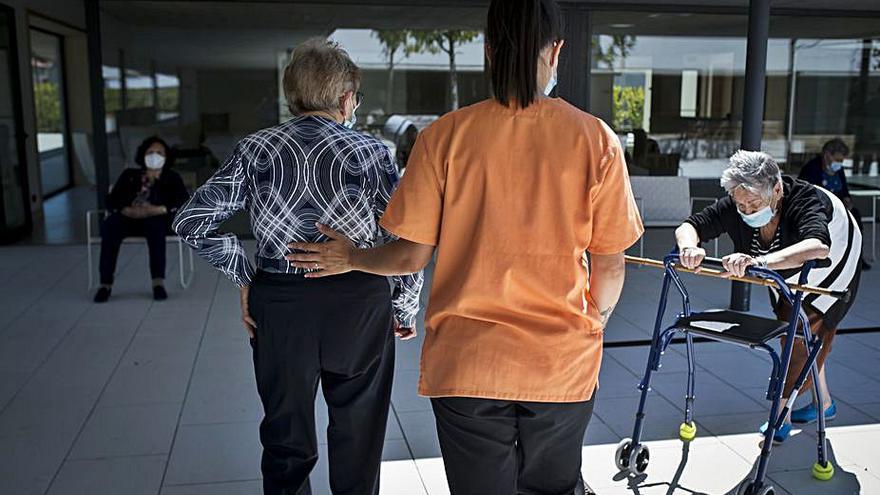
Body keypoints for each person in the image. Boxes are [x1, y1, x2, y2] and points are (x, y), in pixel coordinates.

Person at [285, 1, 644, 492]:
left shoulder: (443, 138)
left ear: (489, 51)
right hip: (559, 362)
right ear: (556, 50)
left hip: (467, 363)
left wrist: (350, 256)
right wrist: (592, 321)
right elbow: (611, 267)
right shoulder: (596, 139)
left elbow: (410, 256)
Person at [173, 39, 424, 495]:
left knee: (286, 434)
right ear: (347, 98)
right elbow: (403, 239)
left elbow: (191, 220)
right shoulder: (370, 152)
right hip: (358, 299)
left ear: (292, 96)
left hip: (281, 301)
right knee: (358, 428)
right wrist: (404, 308)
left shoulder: (257, 149)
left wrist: (245, 276)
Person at [677, 150, 862, 443]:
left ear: (777, 189)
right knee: (806, 336)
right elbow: (691, 226)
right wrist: (688, 247)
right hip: (785, 274)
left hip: (835, 265)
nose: (747, 211)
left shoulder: (804, 200)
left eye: (753, 204)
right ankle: (824, 404)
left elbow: (818, 246)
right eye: (741, 205)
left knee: (799, 336)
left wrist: (759, 262)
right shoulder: (739, 202)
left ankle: (780, 417)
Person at [94, 136, 189, 303]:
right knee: (110, 226)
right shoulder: (130, 174)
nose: (154, 155)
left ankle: (157, 282)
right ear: (143, 155)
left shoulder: (172, 177)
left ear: (166, 157)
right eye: (150, 152)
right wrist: (125, 208)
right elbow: (112, 199)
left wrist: (160, 209)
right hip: (129, 217)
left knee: (155, 226)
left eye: (159, 153)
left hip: (157, 218)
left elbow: (182, 199)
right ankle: (105, 284)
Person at [798, 138, 871, 270]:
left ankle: (857, 257)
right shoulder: (812, 168)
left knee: (855, 217)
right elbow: (807, 192)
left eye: (841, 161)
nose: (839, 163)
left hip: (838, 206)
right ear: (827, 156)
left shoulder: (839, 170)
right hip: (817, 206)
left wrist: (847, 200)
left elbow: (844, 190)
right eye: (837, 160)